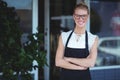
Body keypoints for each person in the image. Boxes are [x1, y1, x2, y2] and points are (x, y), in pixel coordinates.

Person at [55, 2, 98, 80]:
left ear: (87, 17)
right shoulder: (64, 36)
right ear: (74, 17)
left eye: (83, 16)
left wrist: (68, 59)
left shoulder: (93, 38)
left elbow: (91, 63)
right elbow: (58, 62)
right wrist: (80, 67)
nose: (80, 19)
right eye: (78, 16)